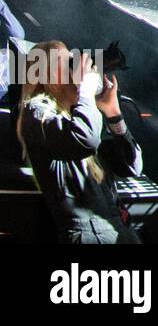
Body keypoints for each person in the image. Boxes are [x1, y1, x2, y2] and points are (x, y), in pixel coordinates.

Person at [16, 41, 143, 243]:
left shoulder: (85, 114)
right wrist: (86, 90)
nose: (74, 68)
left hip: (119, 228)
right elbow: (84, 140)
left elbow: (132, 166)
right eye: (65, 62)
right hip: (89, 234)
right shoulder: (37, 111)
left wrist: (113, 113)